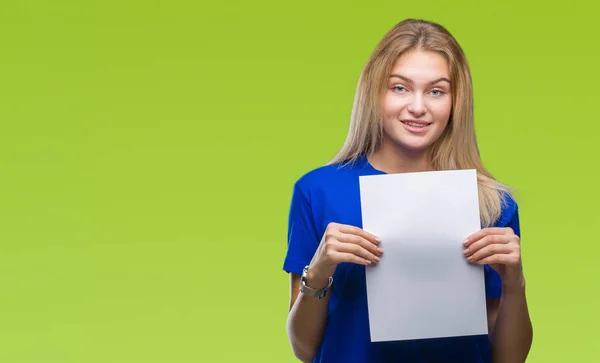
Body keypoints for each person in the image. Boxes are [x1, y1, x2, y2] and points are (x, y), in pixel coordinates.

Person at [282, 18, 533, 363]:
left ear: (455, 102)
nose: (418, 107)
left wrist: (514, 283)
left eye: (436, 91)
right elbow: (304, 349)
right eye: (399, 87)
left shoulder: (491, 203)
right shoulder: (317, 191)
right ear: (375, 92)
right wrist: (321, 267)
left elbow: (509, 359)